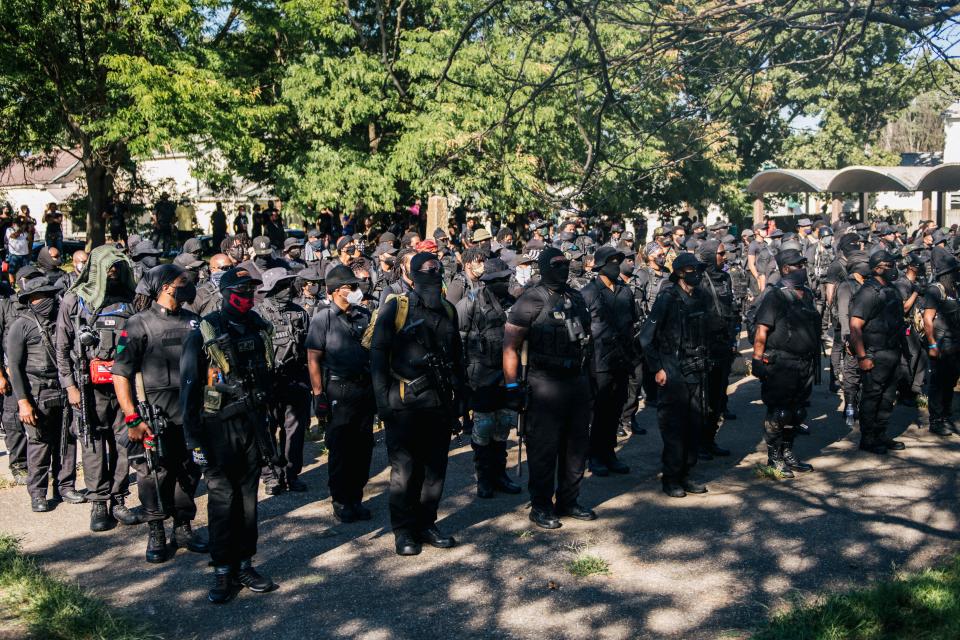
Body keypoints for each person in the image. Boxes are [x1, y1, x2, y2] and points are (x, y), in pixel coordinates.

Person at [180, 266, 278, 604]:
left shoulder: (257, 327)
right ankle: (223, 570)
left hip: (251, 426)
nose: (248, 295)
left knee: (248, 501)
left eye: (252, 289)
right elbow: (189, 392)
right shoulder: (204, 332)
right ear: (224, 293)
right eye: (241, 289)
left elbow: (268, 380)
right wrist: (193, 443)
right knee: (223, 500)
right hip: (215, 430)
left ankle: (245, 564)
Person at [370, 252, 466, 555]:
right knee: (405, 472)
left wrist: (462, 397)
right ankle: (404, 531)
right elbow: (377, 357)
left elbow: (457, 357)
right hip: (404, 403)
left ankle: (427, 523)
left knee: (435, 470)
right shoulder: (396, 308)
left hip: (438, 404)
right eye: (426, 269)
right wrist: (383, 402)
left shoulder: (448, 310)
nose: (434, 272)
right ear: (412, 275)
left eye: (437, 268)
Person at [112, 265, 208, 563]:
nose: (188, 286)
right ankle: (156, 530)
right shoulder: (137, 324)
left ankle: (183, 527)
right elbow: (121, 373)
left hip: (192, 414)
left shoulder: (195, 322)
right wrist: (131, 417)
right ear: (166, 287)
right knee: (153, 474)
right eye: (183, 282)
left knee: (190, 470)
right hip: (155, 417)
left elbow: (210, 366)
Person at [503, 247, 596, 529]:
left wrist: (590, 381)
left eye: (565, 264)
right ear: (544, 268)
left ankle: (568, 501)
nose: (563, 269)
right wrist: (511, 386)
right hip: (544, 385)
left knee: (576, 448)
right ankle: (541, 506)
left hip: (576, 382)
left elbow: (587, 341)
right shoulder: (530, 300)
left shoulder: (576, 297)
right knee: (544, 451)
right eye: (556, 265)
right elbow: (510, 347)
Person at [306, 266, 376, 522]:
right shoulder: (322, 319)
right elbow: (313, 358)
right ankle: (341, 499)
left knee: (363, 446)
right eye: (352, 287)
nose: (357, 291)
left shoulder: (364, 315)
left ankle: (356, 497)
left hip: (363, 389)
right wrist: (318, 395)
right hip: (338, 389)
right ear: (336, 291)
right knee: (340, 448)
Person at [7, 277, 83, 511]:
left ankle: (65, 486)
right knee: (39, 443)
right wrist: (23, 402)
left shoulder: (61, 320)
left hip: (63, 388)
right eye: (40, 296)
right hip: (36, 392)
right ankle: (38, 494)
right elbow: (15, 368)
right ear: (30, 300)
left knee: (67, 439)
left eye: (49, 295)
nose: (46, 301)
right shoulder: (21, 325)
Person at [638, 253, 710, 498]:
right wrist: (657, 368)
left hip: (696, 369)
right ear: (679, 272)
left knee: (695, 423)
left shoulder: (701, 296)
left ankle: (687, 473)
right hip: (672, 371)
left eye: (698, 269)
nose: (697, 273)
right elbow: (646, 338)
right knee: (674, 427)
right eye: (692, 269)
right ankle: (671, 478)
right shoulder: (667, 298)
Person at [455, 257, 522, 499]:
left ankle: (500, 475)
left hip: (507, 375)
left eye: (506, 278)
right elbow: (458, 342)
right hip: (480, 375)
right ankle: (484, 478)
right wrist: (462, 381)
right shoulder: (469, 302)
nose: (505, 283)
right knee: (483, 428)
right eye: (500, 280)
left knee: (503, 425)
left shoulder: (514, 303)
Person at [751, 249, 820, 477]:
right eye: (797, 265)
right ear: (784, 269)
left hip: (804, 364)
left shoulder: (807, 293)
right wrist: (757, 359)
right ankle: (774, 458)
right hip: (781, 363)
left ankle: (788, 452)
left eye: (803, 264)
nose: (802, 269)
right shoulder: (775, 295)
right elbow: (762, 329)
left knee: (797, 413)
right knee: (779, 413)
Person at [580, 247, 637, 476]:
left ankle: (609, 452)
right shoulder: (589, 292)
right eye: (612, 262)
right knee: (599, 409)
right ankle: (595, 455)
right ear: (601, 265)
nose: (617, 265)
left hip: (621, 358)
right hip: (597, 361)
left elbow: (631, 323)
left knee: (616, 407)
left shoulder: (625, 291)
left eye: (618, 261)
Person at [254, 268, 311, 494]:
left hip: (295, 380)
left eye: (288, 284)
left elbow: (309, 346)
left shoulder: (299, 312)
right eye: (281, 286)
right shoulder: (257, 315)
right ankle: (271, 476)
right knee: (267, 429)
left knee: (294, 430)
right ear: (271, 290)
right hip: (268, 382)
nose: (287, 290)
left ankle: (291, 474)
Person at [848, 250, 906, 454]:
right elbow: (855, 327)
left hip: (892, 352)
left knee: (888, 398)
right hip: (874, 354)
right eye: (890, 265)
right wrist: (862, 357)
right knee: (872, 397)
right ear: (878, 268)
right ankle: (868, 438)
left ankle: (880, 434)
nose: (894, 269)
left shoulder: (891, 289)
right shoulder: (867, 292)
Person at [696, 240, 738, 458]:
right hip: (704, 347)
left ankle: (710, 440)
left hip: (723, 345)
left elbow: (732, 308)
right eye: (721, 253)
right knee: (703, 400)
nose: (725, 257)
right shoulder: (698, 280)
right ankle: (698, 443)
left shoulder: (726, 278)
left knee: (718, 398)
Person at [923, 247, 960, 437]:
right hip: (941, 344)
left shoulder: (955, 288)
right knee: (939, 383)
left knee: (950, 382)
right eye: (954, 271)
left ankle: (946, 415)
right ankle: (936, 421)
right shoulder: (935, 290)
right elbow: (927, 319)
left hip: (955, 344)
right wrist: (932, 344)